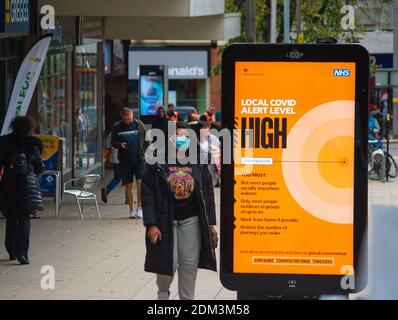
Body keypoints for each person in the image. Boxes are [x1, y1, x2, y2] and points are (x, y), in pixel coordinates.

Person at [142, 121, 218, 300]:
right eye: (177, 135)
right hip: (164, 220)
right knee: (169, 261)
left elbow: (207, 194)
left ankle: (187, 298)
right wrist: (151, 224)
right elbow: (147, 194)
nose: (181, 139)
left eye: (185, 136)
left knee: (189, 263)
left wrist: (211, 224)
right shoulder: (157, 160)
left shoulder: (199, 160)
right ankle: (163, 292)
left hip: (191, 219)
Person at [0, 116, 44, 264]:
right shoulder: (34, 144)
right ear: (30, 128)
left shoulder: (4, 142)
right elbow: (39, 167)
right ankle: (22, 253)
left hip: (9, 185)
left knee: (11, 217)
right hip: (27, 186)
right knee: (25, 219)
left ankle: (11, 249)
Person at [111, 107, 147, 219]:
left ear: (132, 116)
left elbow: (146, 140)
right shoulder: (117, 127)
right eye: (126, 119)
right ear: (122, 118)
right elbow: (113, 142)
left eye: (130, 119)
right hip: (125, 160)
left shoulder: (139, 124)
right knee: (129, 185)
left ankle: (140, 208)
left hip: (139, 159)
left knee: (140, 183)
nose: (128, 121)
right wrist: (119, 145)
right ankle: (131, 210)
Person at [101, 131, 123, 203]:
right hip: (125, 158)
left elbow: (107, 144)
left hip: (115, 158)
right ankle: (127, 197)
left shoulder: (112, 131)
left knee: (117, 177)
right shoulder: (126, 131)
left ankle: (107, 189)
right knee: (127, 178)